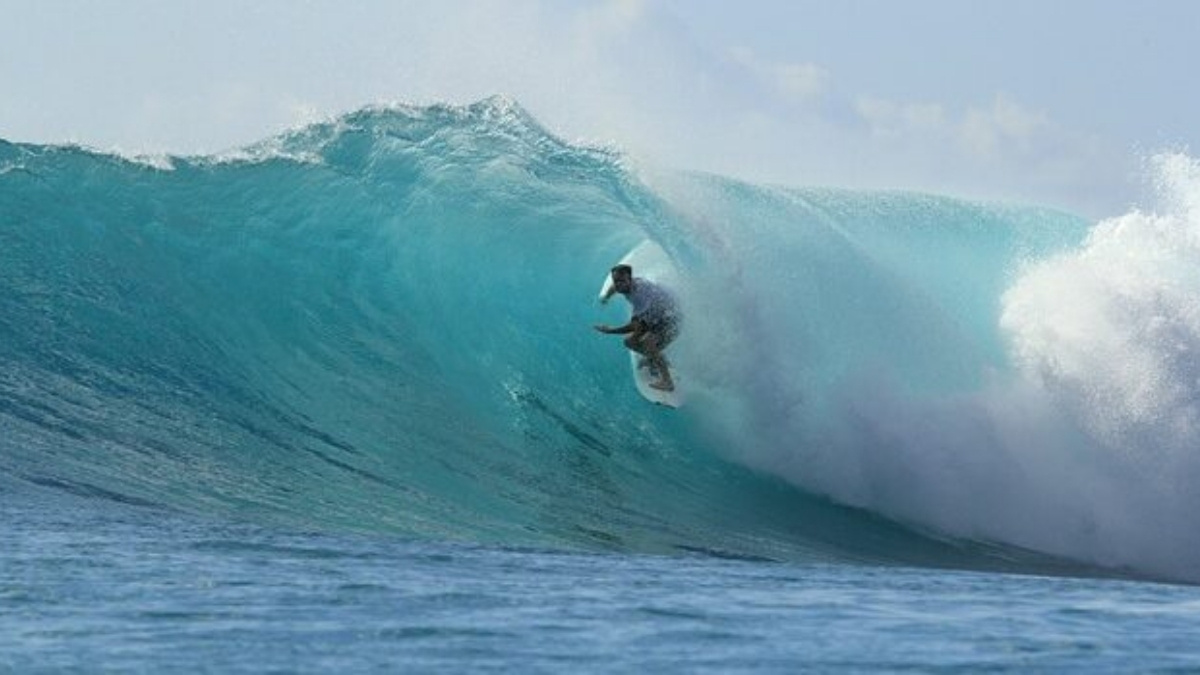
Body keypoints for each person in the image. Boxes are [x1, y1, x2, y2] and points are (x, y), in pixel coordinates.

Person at [594, 264, 681, 392]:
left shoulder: (639, 295)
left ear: (630, 279)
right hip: (659, 316)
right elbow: (615, 287)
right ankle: (654, 359)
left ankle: (667, 381)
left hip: (672, 320)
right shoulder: (627, 284)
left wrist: (610, 330)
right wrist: (606, 297)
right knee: (632, 342)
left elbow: (636, 327)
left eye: (622, 281)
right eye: (616, 281)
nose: (618, 285)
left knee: (644, 343)